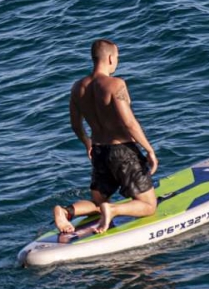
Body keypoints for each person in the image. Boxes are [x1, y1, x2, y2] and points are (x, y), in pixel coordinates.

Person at [53, 39, 159, 237]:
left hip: (99, 151)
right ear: (110, 58)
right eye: (117, 58)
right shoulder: (115, 85)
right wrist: (149, 150)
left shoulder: (78, 88)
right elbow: (129, 123)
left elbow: (75, 125)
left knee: (98, 203)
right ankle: (113, 210)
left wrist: (87, 143)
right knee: (149, 205)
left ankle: (65, 212)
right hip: (123, 152)